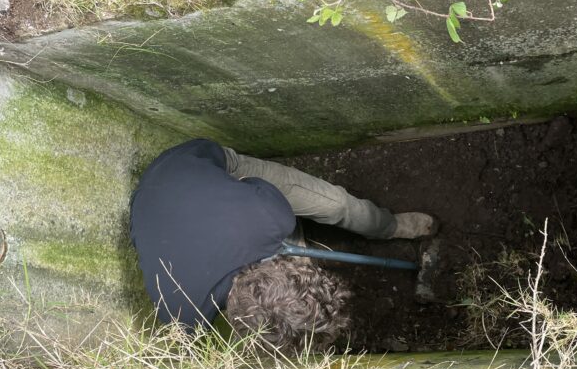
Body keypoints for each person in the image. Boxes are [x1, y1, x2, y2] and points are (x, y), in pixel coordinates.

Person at [129, 138, 435, 351]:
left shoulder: (267, 218)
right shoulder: (182, 320)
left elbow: (254, 187)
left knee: (337, 206)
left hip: (189, 164)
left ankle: (388, 226)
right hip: (154, 205)